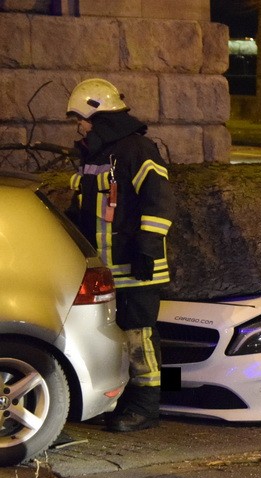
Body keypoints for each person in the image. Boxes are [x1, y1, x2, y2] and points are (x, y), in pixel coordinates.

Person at [66, 78, 175, 433]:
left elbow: (158, 200)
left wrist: (147, 246)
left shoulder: (138, 150)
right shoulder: (95, 156)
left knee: (139, 336)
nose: (78, 126)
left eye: (80, 118)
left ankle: (146, 407)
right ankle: (125, 402)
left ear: (98, 117)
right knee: (116, 338)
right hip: (108, 270)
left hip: (138, 268)